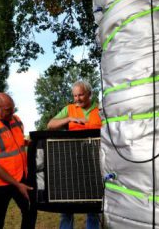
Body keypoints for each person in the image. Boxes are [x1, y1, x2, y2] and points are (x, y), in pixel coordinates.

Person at [0, 92, 36, 229]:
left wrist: (27, 142)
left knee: (30, 211)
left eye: (13, 108)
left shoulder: (16, 120)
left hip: (21, 177)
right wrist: (17, 184)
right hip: (0, 184)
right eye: (8, 110)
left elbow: (14, 142)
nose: (12, 112)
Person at [47, 80, 101, 229]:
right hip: (72, 165)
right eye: (75, 96)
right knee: (67, 207)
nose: (77, 99)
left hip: (94, 165)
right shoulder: (69, 109)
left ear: (89, 94)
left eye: (81, 95)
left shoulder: (101, 110)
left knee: (94, 207)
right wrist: (69, 119)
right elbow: (50, 125)